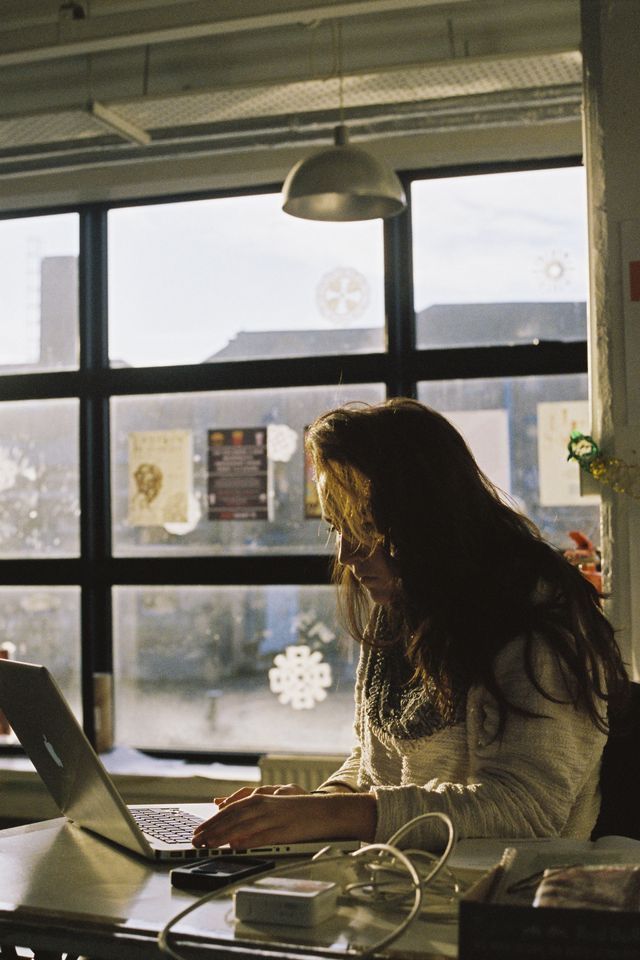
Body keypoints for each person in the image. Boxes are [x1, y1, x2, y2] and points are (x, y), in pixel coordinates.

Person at [192, 398, 629, 852]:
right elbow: (372, 762)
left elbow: (527, 811)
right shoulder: (404, 600)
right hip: (402, 886)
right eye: (335, 528)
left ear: (425, 518)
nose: (346, 555)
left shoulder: (539, 617)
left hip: (503, 901)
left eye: (365, 526)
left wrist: (333, 815)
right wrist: (317, 806)